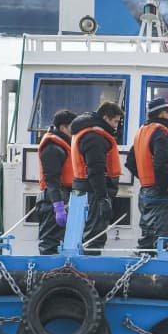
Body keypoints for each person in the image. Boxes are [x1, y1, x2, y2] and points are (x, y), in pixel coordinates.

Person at [125, 97, 168, 252]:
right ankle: (163, 271)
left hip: (146, 191)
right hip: (162, 192)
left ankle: (142, 265)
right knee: (164, 237)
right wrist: (165, 187)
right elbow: (161, 164)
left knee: (148, 233)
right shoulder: (160, 134)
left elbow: (130, 162)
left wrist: (146, 178)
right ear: (162, 113)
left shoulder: (141, 132)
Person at [70, 101, 124, 255]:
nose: (115, 126)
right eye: (114, 121)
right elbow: (96, 170)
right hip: (93, 192)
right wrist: (103, 198)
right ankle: (89, 265)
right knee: (94, 235)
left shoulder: (86, 132)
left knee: (85, 231)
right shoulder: (95, 137)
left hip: (84, 189)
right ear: (106, 118)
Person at [37, 109, 77, 254]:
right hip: (52, 200)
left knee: (62, 240)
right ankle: (47, 273)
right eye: (73, 127)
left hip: (62, 196)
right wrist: (58, 207)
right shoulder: (52, 148)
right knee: (49, 243)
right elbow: (51, 180)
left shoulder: (63, 145)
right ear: (63, 127)